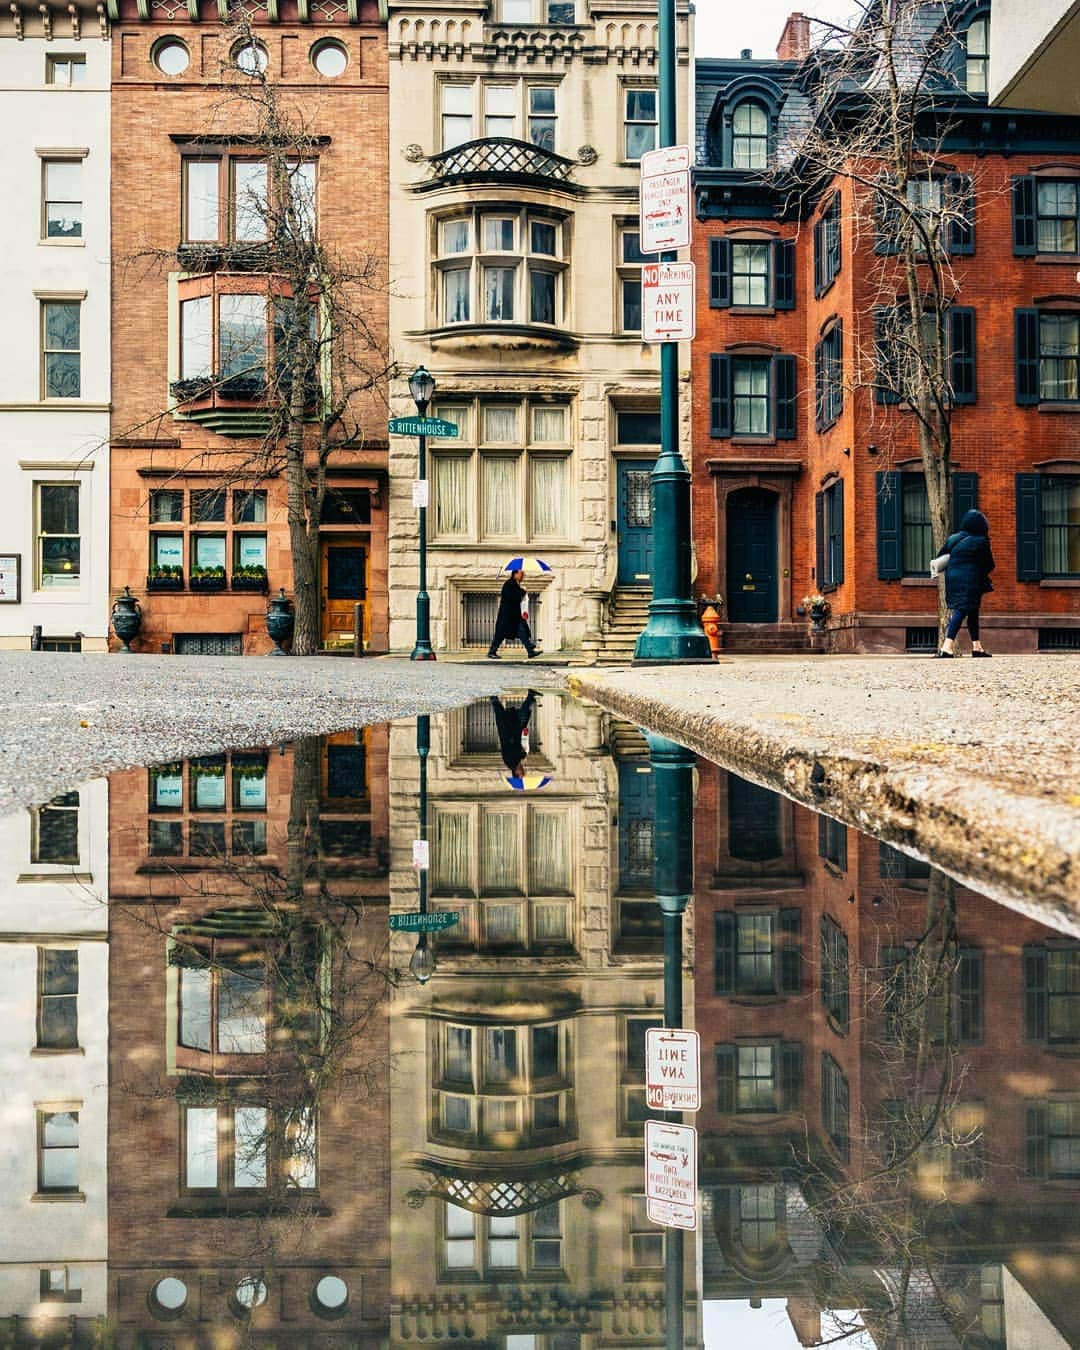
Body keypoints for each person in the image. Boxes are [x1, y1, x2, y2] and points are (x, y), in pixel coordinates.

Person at [937, 509, 995, 657]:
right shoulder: (981, 541)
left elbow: (941, 556)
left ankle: (977, 647)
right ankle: (947, 646)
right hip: (970, 579)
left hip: (952, 578)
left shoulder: (953, 538)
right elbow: (989, 564)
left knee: (972, 611)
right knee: (961, 609)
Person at [488, 568, 540, 660]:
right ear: (515, 574)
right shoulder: (509, 584)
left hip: (514, 615)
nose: (523, 576)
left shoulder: (515, 584)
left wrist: (521, 591)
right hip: (507, 615)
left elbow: (517, 598)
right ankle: (492, 652)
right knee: (500, 634)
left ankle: (530, 650)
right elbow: (512, 597)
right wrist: (523, 591)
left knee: (522, 631)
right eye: (521, 574)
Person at [490, 691, 537, 776]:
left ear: (516, 773)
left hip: (508, 731)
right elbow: (521, 747)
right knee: (522, 716)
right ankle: (530, 697)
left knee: (499, 711)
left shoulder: (509, 762)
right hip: (516, 732)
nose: (523, 772)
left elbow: (512, 749)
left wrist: (523, 755)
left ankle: (492, 695)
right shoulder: (518, 763)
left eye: (521, 774)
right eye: (524, 773)